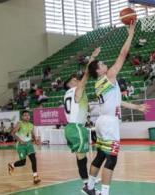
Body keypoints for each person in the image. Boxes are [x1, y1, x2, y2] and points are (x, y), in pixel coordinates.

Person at [86, 22, 149, 195]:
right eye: (103, 64)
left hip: (101, 121)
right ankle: (104, 193)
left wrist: (137, 107)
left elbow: (118, 102)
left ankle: (90, 187)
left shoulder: (99, 84)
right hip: (108, 123)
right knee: (111, 158)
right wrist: (130, 34)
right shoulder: (109, 77)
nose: (106, 65)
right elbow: (123, 54)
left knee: (100, 156)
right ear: (99, 70)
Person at [63, 47, 100, 192]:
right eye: (74, 80)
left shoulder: (71, 94)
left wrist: (89, 110)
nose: (77, 80)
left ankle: (87, 181)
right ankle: (86, 185)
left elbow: (82, 108)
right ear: (71, 84)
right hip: (76, 128)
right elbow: (86, 74)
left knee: (81, 156)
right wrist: (92, 57)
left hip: (73, 127)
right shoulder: (76, 90)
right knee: (82, 158)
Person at [7, 110, 41, 184]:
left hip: (29, 144)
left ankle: (35, 176)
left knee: (33, 159)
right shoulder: (20, 124)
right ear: (22, 117)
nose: (27, 116)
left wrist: (36, 140)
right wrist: (20, 140)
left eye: (28, 115)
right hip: (21, 145)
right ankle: (11, 165)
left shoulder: (31, 125)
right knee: (23, 162)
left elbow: (32, 134)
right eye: (25, 115)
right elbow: (12, 133)